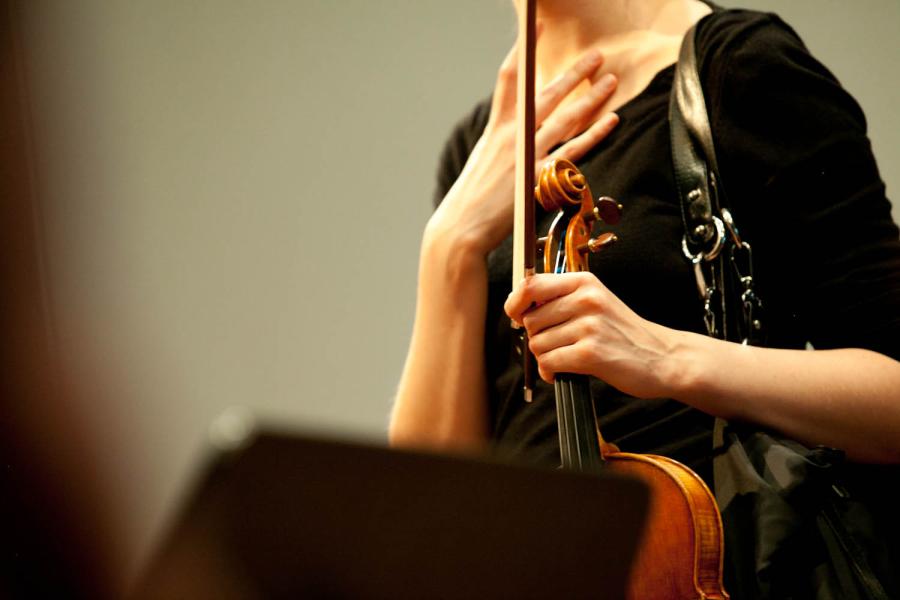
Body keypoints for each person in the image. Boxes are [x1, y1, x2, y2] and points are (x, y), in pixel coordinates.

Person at [390, 0, 900, 593]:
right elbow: (426, 517)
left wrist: (667, 358)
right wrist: (448, 250)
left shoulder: (736, 68)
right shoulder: (481, 148)